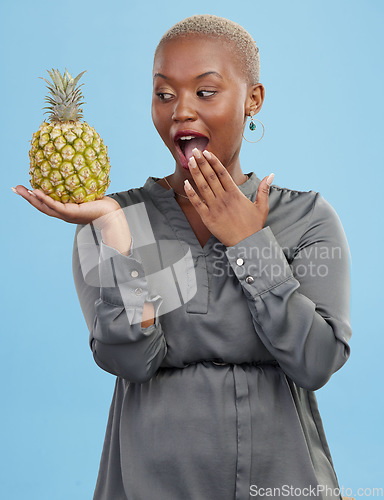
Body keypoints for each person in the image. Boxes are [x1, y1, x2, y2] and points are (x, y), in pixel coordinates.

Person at [14, 14, 352, 500]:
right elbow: (128, 357)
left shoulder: (307, 217)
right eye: (165, 94)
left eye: (206, 92)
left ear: (253, 99)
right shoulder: (114, 220)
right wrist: (113, 235)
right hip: (146, 485)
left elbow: (316, 361)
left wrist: (249, 245)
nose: (181, 112)